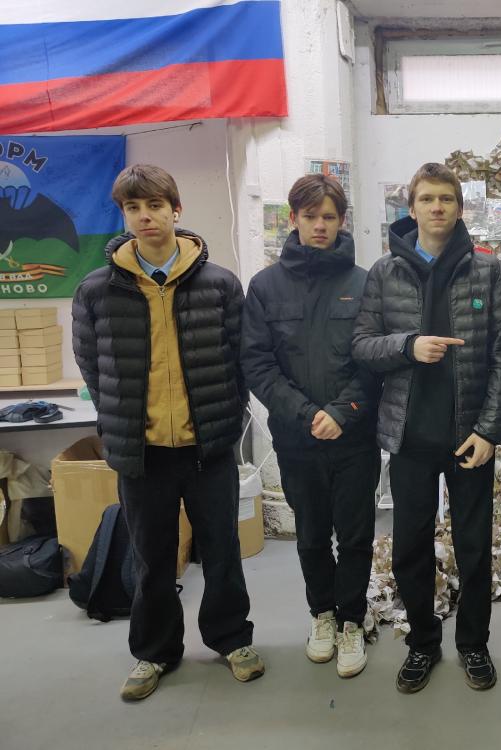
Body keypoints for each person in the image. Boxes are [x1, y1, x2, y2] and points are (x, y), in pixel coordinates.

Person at [72, 164, 264, 702]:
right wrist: (123, 419)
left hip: (208, 447)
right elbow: (93, 366)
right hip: (144, 453)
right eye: (133, 208)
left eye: (155, 205)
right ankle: (154, 651)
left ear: (175, 210)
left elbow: (240, 359)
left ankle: (232, 640)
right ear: (124, 215)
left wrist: (225, 417)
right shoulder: (97, 290)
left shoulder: (219, 284)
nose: (145, 216)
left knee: (222, 551)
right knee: (152, 558)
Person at [352, 162, 501, 693]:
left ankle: (474, 645)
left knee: (474, 549)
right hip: (410, 438)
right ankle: (422, 643)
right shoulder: (385, 272)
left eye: (446, 199)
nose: (437, 207)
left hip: (470, 438)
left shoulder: (488, 270)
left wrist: (490, 430)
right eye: (427, 199)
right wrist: (407, 346)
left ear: (459, 207)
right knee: (409, 549)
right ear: (412, 208)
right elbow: (362, 346)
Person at [241, 173, 379, 677]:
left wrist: (342, 412)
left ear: (342, 221)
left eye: (329, 217)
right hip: (297, 439)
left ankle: (352, 620)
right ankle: (322, 614)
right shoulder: (265, 287)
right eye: (310, 216)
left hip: (354, 437)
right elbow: (257, 364)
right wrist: (305, 414)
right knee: (313, 536)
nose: (320, 225)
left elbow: (375, 362)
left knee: (356, 535)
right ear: (293, 218)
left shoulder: (365, 283)